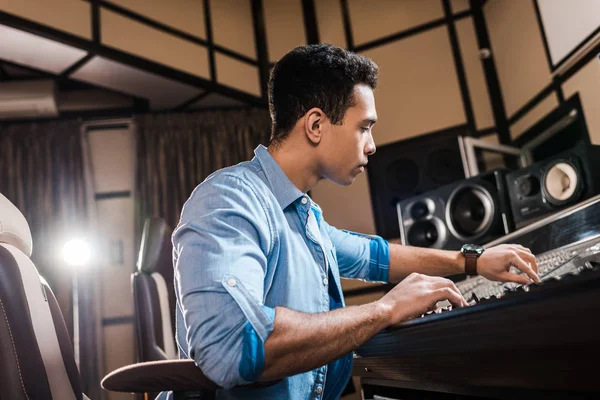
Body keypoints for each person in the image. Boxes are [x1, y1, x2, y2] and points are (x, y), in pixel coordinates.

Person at [170, 44, 540, 400]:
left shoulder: (305, 216)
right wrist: (385, 310)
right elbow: (233, 348)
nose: (372, 144)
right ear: (315, 125)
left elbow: (374, 256)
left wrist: (472, 261)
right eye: (364, 127)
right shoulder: (230, 198)